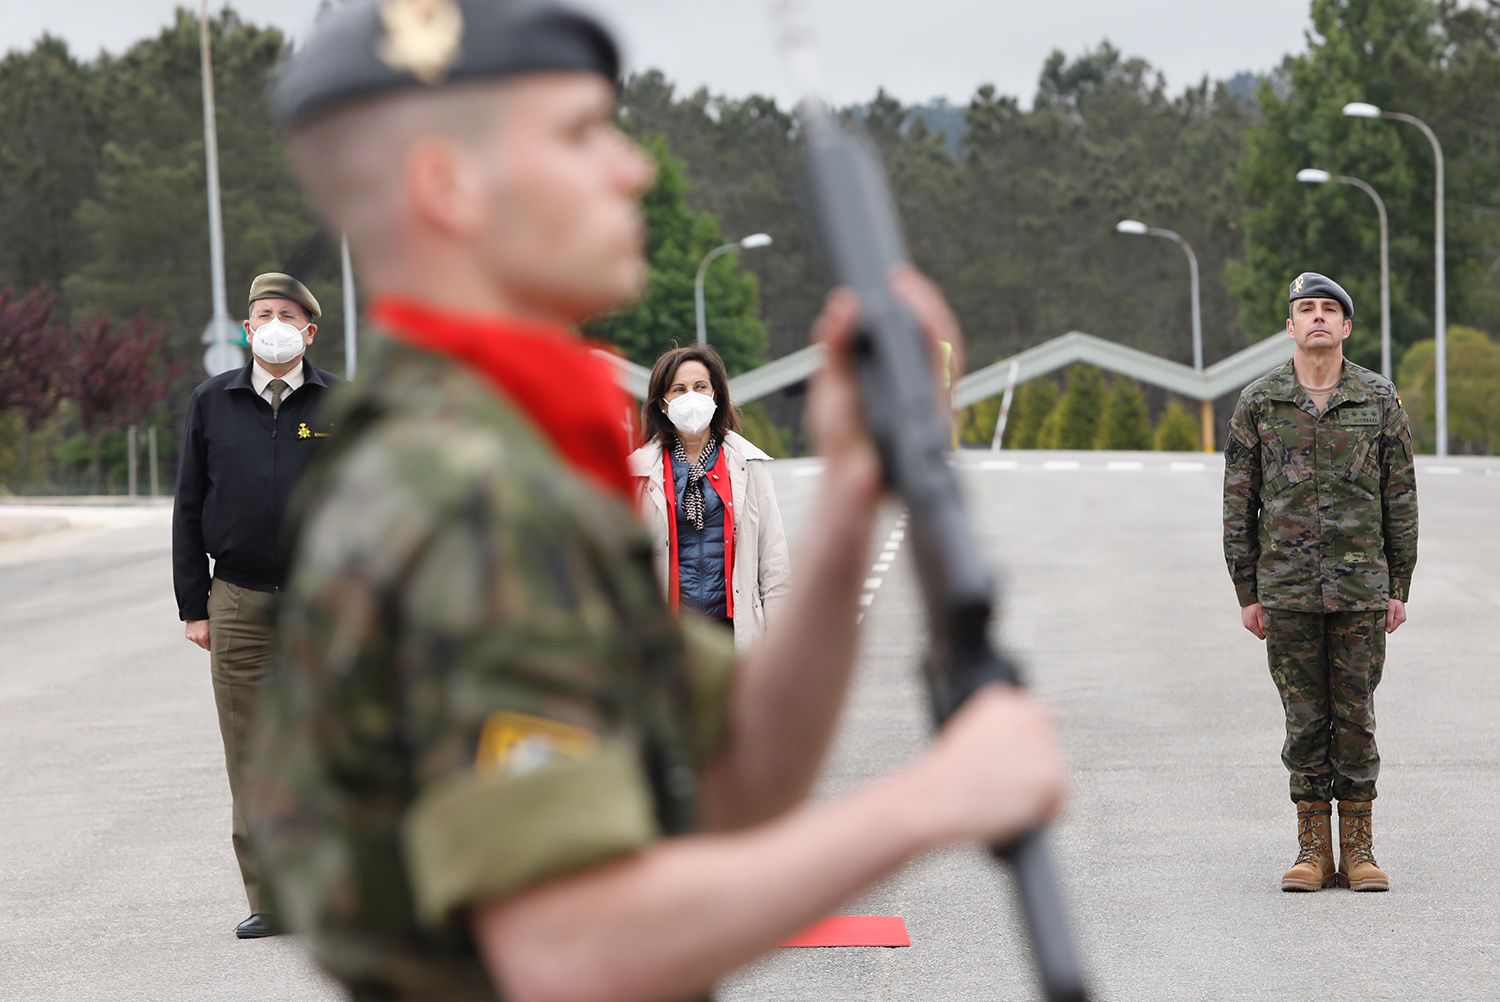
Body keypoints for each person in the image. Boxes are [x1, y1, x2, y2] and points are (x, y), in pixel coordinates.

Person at [247, 2, 1064, 998]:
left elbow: (740, 774)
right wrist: (931, 803)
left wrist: (854, 491)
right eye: (582, 133)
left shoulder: (510, 461)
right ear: (448, 187)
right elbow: (570, 951)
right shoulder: (467, 497)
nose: (632, 169)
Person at [1223, 271, 1418, 893]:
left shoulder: (1378, 399)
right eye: (1305, 309)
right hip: (1287, 591)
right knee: (1305, 721)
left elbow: (1401, 497)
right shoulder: (1259, 402)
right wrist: (1247, 591)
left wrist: (1399, 584)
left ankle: (1358, 850)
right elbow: (1238, 503)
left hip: (1362, 589)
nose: (1317, 318)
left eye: (1328, 310)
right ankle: (1312, 851)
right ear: (1289, 326)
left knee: (1355, 718)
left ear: (1346, 326)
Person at [171, 272, 339, 938]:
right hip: (237, 599)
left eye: (287, 314)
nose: (274, 323)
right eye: (262, 313)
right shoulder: (211, 402)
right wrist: (195, 606)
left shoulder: (339, 406)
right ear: (246, 328)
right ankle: (269, 896)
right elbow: (188, 506)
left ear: (309, 331)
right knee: (250, 753)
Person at [629, 346, 791, 649]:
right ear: (662, 405)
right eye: (679, 389)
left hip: (734, 630)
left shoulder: (747, 463)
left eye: (700, 386)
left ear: (715, 395)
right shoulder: (639, 472)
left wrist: (778, 643)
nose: (691, 396)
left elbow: (774, 562)